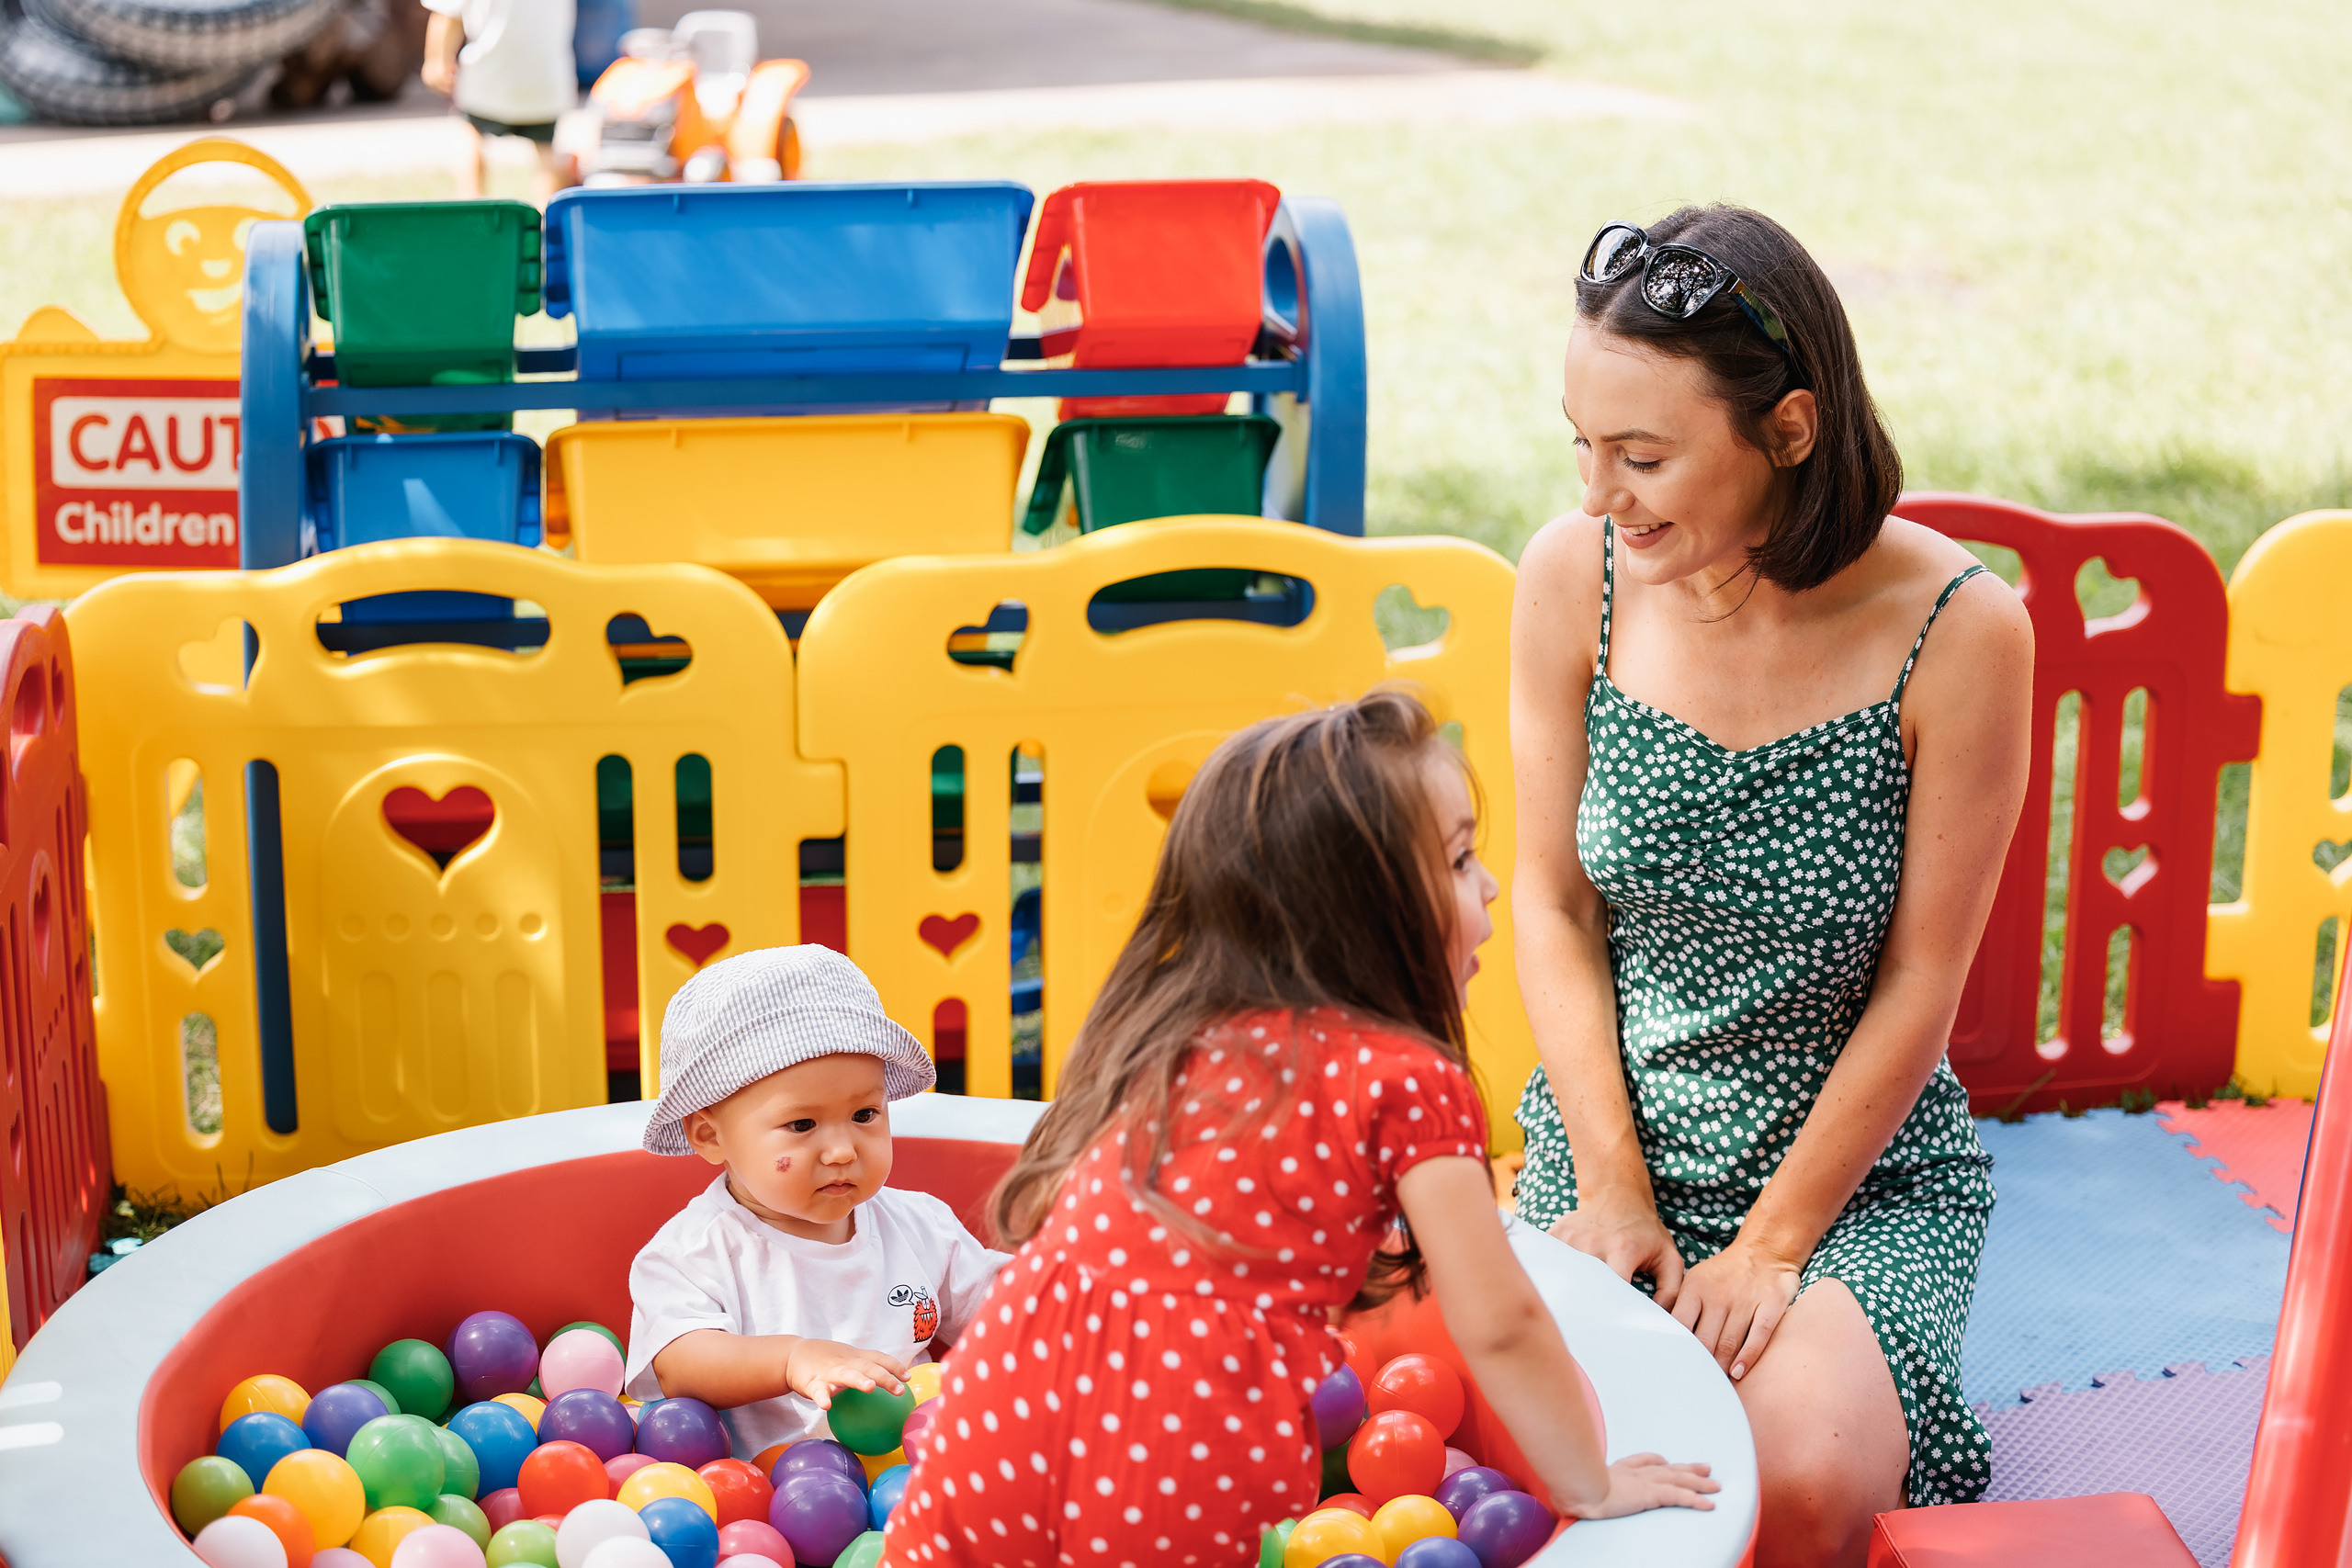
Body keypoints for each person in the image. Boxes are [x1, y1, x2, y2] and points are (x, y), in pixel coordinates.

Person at [882, 692, 1719, 1566]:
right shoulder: (1408, 1083)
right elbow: (1499, 1317)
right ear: (1371, 913)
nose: (1493, 883)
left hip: (1008, 1387)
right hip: (1178, 1434)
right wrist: (1587, 1482)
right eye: (1461, 858)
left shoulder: (1185, 1031)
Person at [1508, 205, 2033, 1566]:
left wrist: (1773, 1247)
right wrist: (1610, 1187)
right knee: (1535, 1457)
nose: (1598, 495)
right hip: (1614, 1139)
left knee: (1788, 1487)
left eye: (1643, 456)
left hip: (1854, 1178)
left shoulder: (1963, 630)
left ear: (1790, 430)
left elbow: (1924, 979)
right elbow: (1551, 905)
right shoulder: (1571, 577)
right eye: (1580, 444)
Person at [625, 945, 1009, 1460]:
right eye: (802, 1124)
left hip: (919, 1475)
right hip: (769, 1494)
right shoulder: (692, 1253)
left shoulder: (920, 1227)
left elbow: (1005, 1312)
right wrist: (792, 1359)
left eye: (865, 1114)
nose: (843, 1150)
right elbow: (680, 1361)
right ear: (710, 1136)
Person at [419, 0, 576, 202]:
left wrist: (436, 60)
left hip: (488, 70)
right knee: (547, 149)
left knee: (471, 134)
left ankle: (472, 205)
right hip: (544, 72)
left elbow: (446, 12)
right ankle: (547, 213)